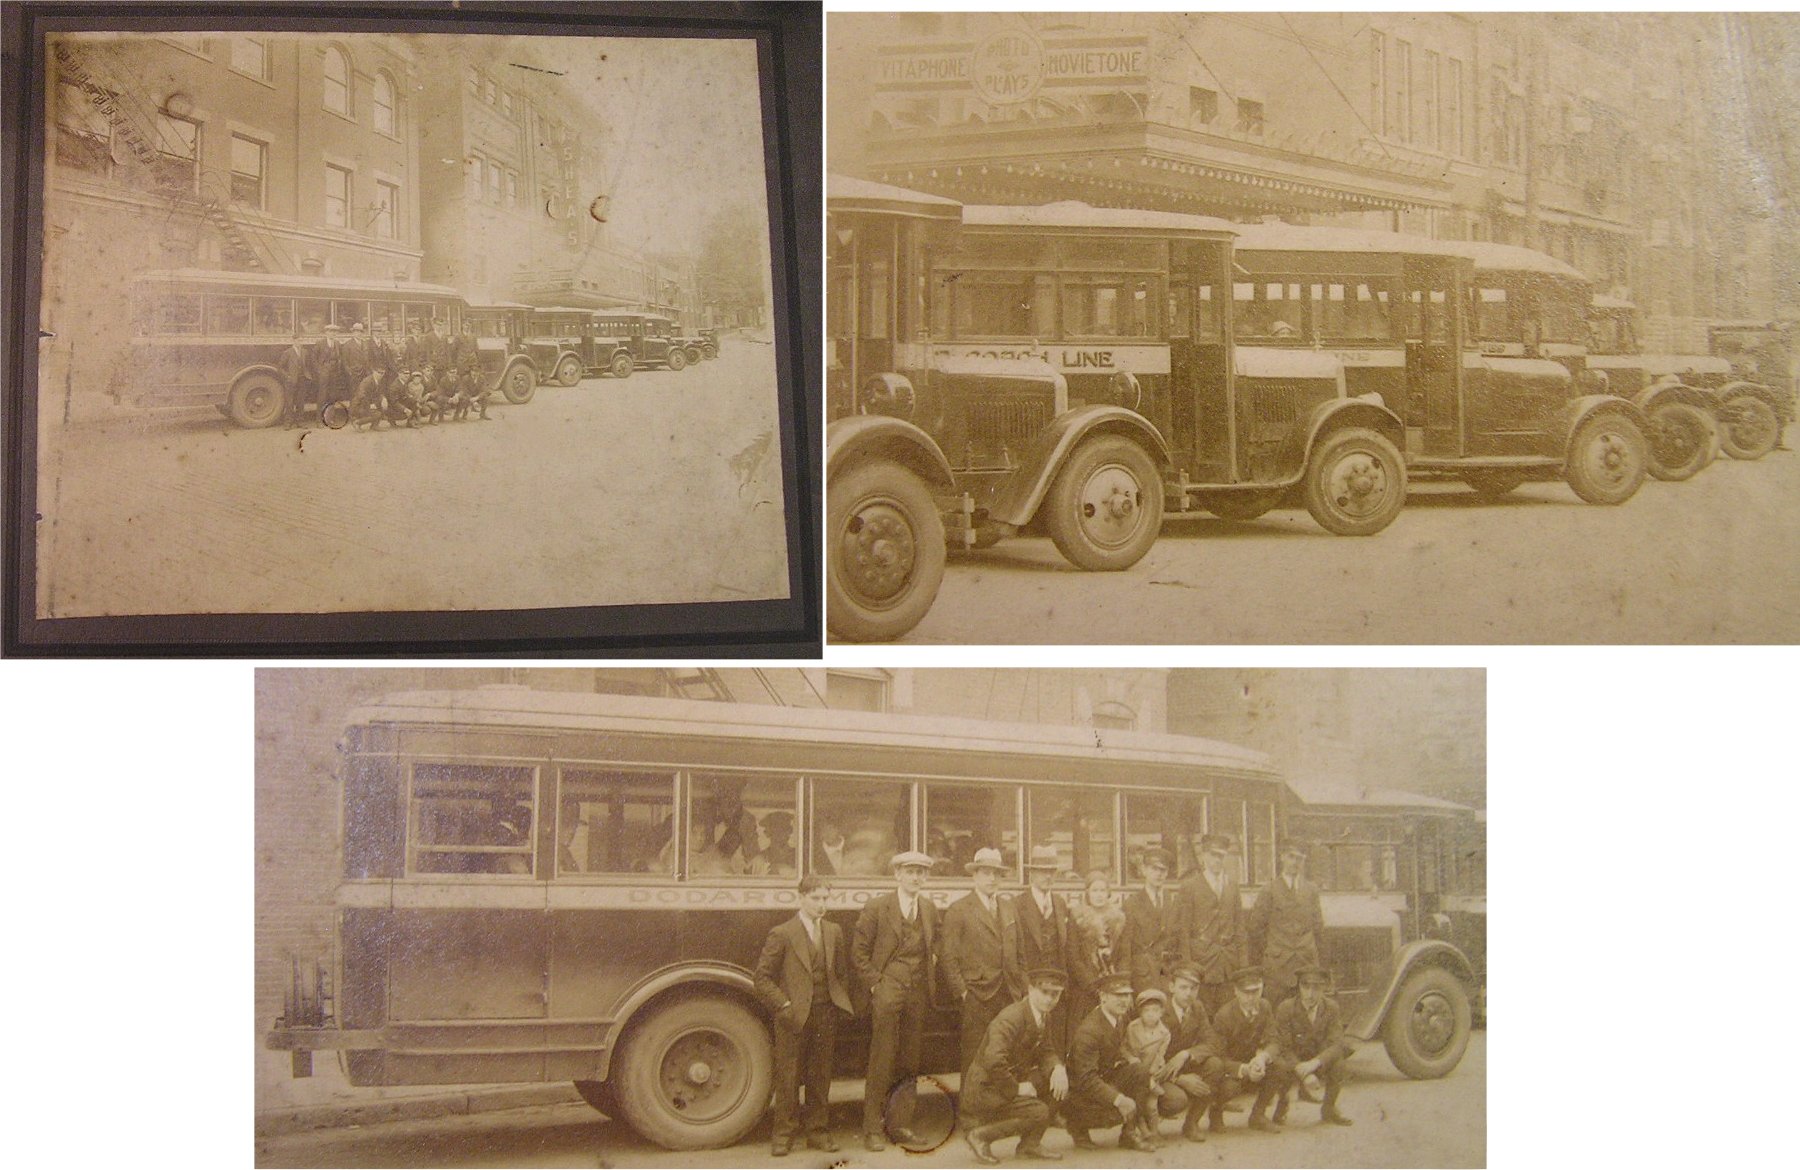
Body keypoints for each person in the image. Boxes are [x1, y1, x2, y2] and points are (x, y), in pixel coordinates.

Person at [753, 877, 854, 1156]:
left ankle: (817, 1133)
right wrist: (784, 1006)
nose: (822, 905)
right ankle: (783, 1136)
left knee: (820, 1076)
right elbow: (762, 978)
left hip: (825, 1013)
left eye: (825, 899)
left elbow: (840, 974)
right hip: (793, 1017)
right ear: (801, 897)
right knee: (788, 1077)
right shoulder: (783, 933)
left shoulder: (834, 932)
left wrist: (835, 1002)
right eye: (816, 898)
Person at [852, 850, 940, 1151]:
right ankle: (872, 1129)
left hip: (917, 994)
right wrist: (877, 984)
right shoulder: (878, 907)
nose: (916, 877)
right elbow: (859, 953)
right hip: (888, 991)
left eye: (920, 872)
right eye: (910, 871)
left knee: (910, 1061)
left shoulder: (928, 909)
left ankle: (900, 1125)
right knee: (882, 1058)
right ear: (897, 875)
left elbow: (933, 947)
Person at [961, 967, 1072, 1165]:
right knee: (1039, 1112)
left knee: (1059, 1085)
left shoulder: (1043, 1015)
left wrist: (1057, 1068)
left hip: (1004, 1080)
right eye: (1044, 992)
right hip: (986, 1088)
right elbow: (994, 1061)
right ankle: (981, 1136)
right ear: (1030, 989)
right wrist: (1017, 1088)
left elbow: (1046, 1050)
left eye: (1055, 994)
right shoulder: (1011, 1018)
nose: (1049, 999)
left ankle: (1030, 1144)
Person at [942, 847, 1018, 1085]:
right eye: (986, 873)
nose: (992, 879)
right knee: (974, 1056)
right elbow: (948, 955)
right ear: (974, 876)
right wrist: (963, 992)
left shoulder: (1008, 907)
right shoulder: (960, 909)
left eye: (996, 873)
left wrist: (1020, 986)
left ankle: (997, 1113)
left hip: (1007, 993)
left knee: (1003, 1055)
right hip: (977, 995)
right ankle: (969, 1116)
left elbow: (1020, 951)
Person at [1064, 972, 1158, 1151]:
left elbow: (1117, 1049)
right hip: (1080, 1090)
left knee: (1140, 1071)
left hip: (1100, 1078)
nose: (1125, 1001)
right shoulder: (1090, 1031)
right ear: (1103, 996)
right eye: (1118, 996)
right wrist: (1119, 1098)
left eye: (1127, 995)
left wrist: (1131, 1060)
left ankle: (1128, 1134)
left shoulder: (1117, 1017)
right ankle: (1077, 1127)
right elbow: (1085, 1080)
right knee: (1114, 1112)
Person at [1009, 845, 1075, 1051]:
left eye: (1051, 872)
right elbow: (1014, 950)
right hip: (1031, 983)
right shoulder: (1017, 904)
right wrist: (1023, 984)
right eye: (1042, 872)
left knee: (1054, 1039)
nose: (1048, 876)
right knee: (1028, 1038)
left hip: (1056, 985)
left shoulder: (1060, 903)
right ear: (1032, 874)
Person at [1271, 965, 1353, 1127]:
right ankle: (1283, 1103)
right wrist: (1304, 1074)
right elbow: (1284, 1047)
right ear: (1299, 987)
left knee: (1339, 1064)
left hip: (1316, 1059)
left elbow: (1337, 1043)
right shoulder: (1286, 1008)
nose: (1310, 994)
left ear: (1324, 988)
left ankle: (1329, 1109)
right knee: (1279, 1066)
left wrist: (1316, 1063)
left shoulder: (1331, 1007)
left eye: (1316, 988)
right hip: (1294, 1060)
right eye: (1305, 987)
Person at [1209, 965, 1287, 1132]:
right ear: (1235, 991)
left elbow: (1274, 1039)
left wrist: (1263, 1058)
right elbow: (1218, 1056)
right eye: (1246, 992)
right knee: (1229, 1088)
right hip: (1232, 1068)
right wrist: (1244, 1069)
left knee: (1280, 1066)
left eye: (1256, 991)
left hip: (1255, 1062)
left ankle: (1258, 1115)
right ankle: (1215, 1113)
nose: (1252, 997)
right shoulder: (1224, 1016)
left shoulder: (1265, 1006)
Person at [1248, 841, 1323, 1012]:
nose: (1295, 862)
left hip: (1305, 962)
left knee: (1307, 1012)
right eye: (1291, 857)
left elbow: (1318, 928)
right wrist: (1272, 952)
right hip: (1278, 967)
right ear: (1282, 857)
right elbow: (1255, 929)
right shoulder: (1269, 890)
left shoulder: (1311, 890)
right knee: (1278, 1012)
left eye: (1299, 858)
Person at [1159, 962, 1224, 1142]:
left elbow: (1211, 1042)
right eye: (1183, 987)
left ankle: (1191, 1123)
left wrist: (1186, 1053)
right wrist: (1178, 1079)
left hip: (1182, 1064)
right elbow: (1146, 1059)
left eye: (1194, 988)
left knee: (1215, 1065)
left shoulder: (1197, 1008)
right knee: (1176, 1100)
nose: (1189, 993)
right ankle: (1148, 1124)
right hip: (1158, 1072)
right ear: (1171, 987)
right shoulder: (1158, 1010)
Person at [1179, 834, 1244, 1014]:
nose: (1217, 860)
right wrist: (1187, 965)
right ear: (1203, 856)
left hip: (1227, 964)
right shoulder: (1189, 886)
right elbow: (1183, 930)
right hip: (1202, 962)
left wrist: (1242, 964)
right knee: (1203, 1013)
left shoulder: (1232, 886)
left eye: (1220, 856)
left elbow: (1240, 928)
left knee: (1228, 1013)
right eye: (1213, 855)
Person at [1067, 870, 1128, 1032]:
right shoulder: (1077, 917)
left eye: (1102, 890)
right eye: (1095, 890)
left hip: (1113, 984)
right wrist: (1092, 985)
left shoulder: (1118, 919)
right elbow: (1074, 957)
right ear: (1087, 893)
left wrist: (1118, 981)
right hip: (1087, 987)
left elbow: (1124, 954)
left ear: (1108, 892)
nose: (1099, 895)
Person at [1122, 847, 1182, 988]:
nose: (1159, 874)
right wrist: (1125, 983)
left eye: (1163, 870)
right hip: (1143, 976)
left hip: (1167, 975)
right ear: (1144, 870)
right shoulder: (1131, 904)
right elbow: (1125, 949)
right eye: (1154, 869)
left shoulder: (1174, 901)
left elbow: (1178, 941)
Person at [1122, 987, 1174, 1148]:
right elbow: (1126, 1048)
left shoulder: (1164, 1033)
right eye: (1146, 1011)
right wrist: (1133, 1062)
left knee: (1151, 1106)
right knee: (1138, 1103)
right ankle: (1143, 1131)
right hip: (1135, 1070)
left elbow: (1160, 1055)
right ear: (1140, 1012)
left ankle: (1154, 1132)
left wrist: (1154, 1073)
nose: (1151, 1014)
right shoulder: (1132, 1028)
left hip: (1152, 1071)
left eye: (1155, 1010)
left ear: (1161, 1012)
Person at [749, 811, 797, 877]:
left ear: (790, 831)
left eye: (784, 828)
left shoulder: (798, 857)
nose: (780, 833)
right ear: (767, 832)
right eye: (776, 828)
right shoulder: (758, 861)